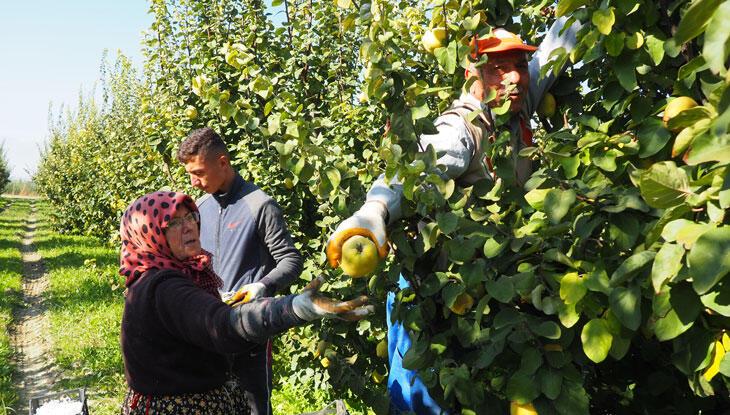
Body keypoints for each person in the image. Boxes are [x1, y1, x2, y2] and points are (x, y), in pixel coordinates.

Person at [326, 19, 581, 414]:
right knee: (423, 399)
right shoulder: (460, 129)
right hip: (430, 294)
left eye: (517, 65)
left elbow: (553, 51)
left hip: (480, 292)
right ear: (472, 75)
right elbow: (412, 170)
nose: (513, 76)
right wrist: (373, 211)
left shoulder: (515, 105)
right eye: (498, 67)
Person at [119, 191, 370, 415]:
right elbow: (219, 326)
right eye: (173, 222)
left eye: (190, 217)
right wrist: (293, 308)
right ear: (150, 235)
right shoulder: (164, 287)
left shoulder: (170, 274)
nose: (188, 227)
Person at [177, 127, 303, 415]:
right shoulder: (200, 207)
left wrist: (261, 286)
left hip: (249, 328)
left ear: (223, 163)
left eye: (199, 173)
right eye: (190, 175)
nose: (194, 182)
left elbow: (291, 260)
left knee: (254, 404)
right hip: (208, 325)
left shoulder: (260, 205)